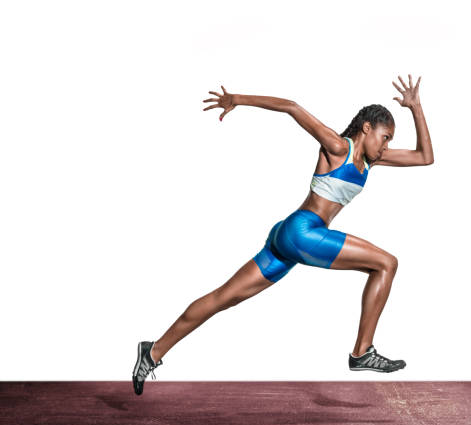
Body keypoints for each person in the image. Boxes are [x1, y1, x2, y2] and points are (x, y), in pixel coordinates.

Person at [133, 74, 434, 395]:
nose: (387, 145)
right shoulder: (337, 146)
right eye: (385, 136)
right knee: (387, 263)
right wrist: (237, 99)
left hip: (287, 239)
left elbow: (424, 157)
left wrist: (416, 108)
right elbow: (292, 107)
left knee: (225, 297)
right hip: (304, 231)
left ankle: (153, 351)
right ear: (366, 128)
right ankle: (362, 352)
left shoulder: (373, 161)